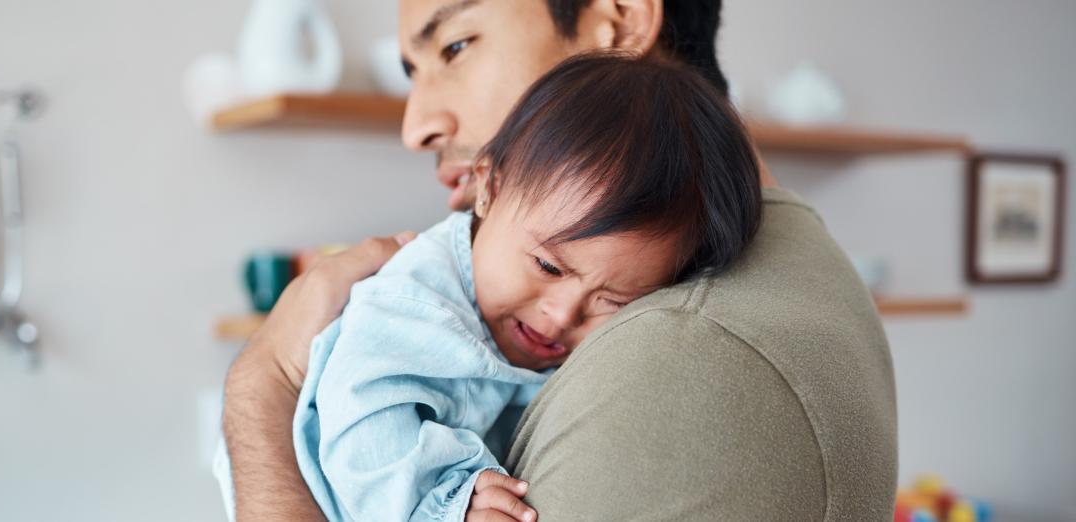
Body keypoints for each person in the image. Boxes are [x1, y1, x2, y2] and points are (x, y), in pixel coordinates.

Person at [219, 1, 898, 520]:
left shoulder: (689, 351)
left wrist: (263, 386)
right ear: (494, 181)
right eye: (411, 72)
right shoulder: (437, 298)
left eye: (455, 46)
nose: (414, 123)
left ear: (619, 18)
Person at [287, 55, 761, 522]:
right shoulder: (414, 303)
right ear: (488, 187)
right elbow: (362, 428)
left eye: (613, 301)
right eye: (548, 266)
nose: (561, 315)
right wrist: (447, 504)